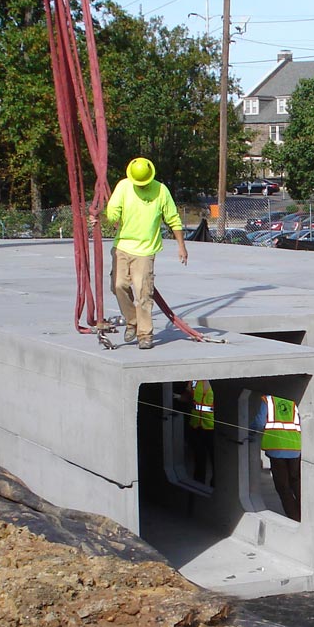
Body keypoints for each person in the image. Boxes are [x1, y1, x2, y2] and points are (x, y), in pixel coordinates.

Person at [100, 157, 188, 351]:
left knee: (143, 293)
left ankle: (144, 334)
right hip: (122, 246)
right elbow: (113, 213)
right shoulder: (123, 187)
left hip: (146, 251)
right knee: (119, 285)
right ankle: (132, 320)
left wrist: (181, 246)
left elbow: (173, 218)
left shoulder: (161, 191)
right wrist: (102, 216)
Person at [253, 394, 302, 521]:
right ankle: (305, 513)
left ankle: (295, 516)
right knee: (296, 481)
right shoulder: (294, 398)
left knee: (282, 486)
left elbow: (259, 423)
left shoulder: (268, 400)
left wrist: (249, 431)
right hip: (295, 446)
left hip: (276, 448)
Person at [179, 379, 215, 487]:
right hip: (196, 425)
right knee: (199, 459)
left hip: (210, 426)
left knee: (214, 460)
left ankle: (213, 484)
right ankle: (199, 484)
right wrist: (180, 398)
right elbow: (187, 395)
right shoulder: (194, 381)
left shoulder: (214, 381)